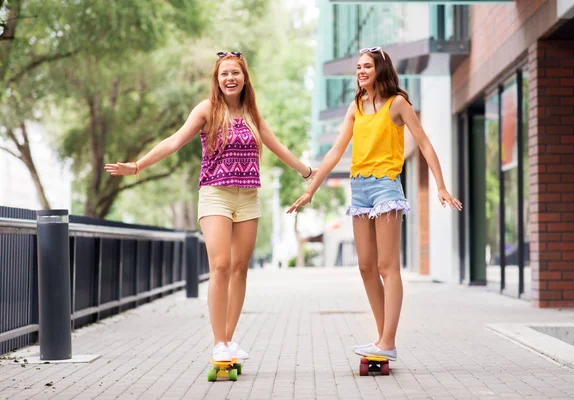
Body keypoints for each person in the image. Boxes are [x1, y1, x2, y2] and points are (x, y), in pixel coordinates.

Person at [105, 51, 314, 362]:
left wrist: (310, 174)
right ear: (217, 80)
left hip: (248, 197)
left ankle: (229, 340)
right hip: (215, 194)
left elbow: (277, 146)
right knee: (220, 265)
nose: (230, 78)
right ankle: (218, 342)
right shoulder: (207, 110)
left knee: (241, 269)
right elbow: (174, 141)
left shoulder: (253, 114)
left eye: (235, 73)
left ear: (245, 78)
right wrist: (138, 165)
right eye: (224, 74)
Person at [286, 46, 462, 361]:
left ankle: (387, 342)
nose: (361, 72)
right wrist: (311, 189)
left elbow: (423, 142)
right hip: (359, 188)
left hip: (386, 188)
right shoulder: (356, 106)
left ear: (380, 69)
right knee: (366, 266)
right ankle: (385, 341)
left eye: (366, 66)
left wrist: (441, 185)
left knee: (386, 266)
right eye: (357, 67)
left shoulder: (397, 104)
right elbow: (335, 151)